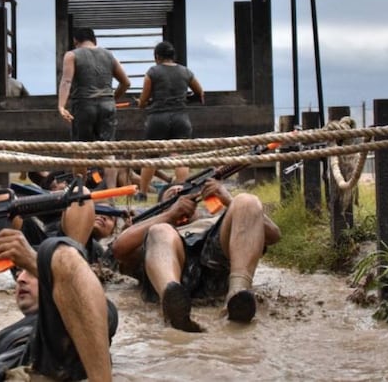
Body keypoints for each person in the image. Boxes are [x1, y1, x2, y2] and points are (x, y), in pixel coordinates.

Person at [0, 230, 116, 382]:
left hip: (56, 356)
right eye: (20, 273)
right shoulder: (2, 339)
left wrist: (35, 262)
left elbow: (73, 274)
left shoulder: (79, 319)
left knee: (59, 252)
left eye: (30, 274)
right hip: (11, 367)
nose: (21, 279)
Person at [109, 179, 281, 331]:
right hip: (171, 261)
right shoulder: (155, 227)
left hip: (216, 259)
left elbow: (273, 236)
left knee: (247, 200)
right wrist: (170, 215)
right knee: (160, 230)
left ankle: (237, 294)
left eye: (184, 193)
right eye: (173, 196)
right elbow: (119, 248)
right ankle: (171, 301)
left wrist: (228, 199)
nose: (180, 196)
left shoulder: (213, 221)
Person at [57, 27, 130, 188]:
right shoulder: (108, 55)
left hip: (84, 105)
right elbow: (126, 82)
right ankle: (112, 193)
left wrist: (61, 106)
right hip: (107, 105)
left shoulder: (72, 55)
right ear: (94, 39)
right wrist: (112, 98)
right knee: (108, 151)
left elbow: (66, 81)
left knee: (80, 150)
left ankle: (80, 190)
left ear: (76, 41)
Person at [136, 41, 205, 199]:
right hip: (180, 117)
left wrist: (141, 103)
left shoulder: (152, 72)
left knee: (151, 156)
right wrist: (186, 99)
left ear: (157, 57)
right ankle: (180, 190)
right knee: (180, 156)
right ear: (173, 56)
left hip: (158, 118)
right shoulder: (186, 71)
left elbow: (144, 100)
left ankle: (142, 193)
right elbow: (200, 93)